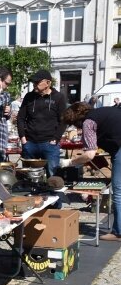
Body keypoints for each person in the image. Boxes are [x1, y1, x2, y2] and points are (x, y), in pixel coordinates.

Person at [60, 102, 121, 241]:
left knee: (118, 192)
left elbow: (89, 155)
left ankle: (119, 233)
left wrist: (69, 162)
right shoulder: (102, 112)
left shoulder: (88, 122)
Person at [16, 69, 67, 176]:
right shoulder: (29, 97)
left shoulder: (58, 97)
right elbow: (20, 118)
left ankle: (52, 192)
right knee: (28, 176)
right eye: (33, 82)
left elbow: (63, 120)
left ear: (48, 83)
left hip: (49, 144)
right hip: (30, 143)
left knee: (52, 174)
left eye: (37, 82)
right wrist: (23, 138)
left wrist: (55, 139)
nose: (34, 85)